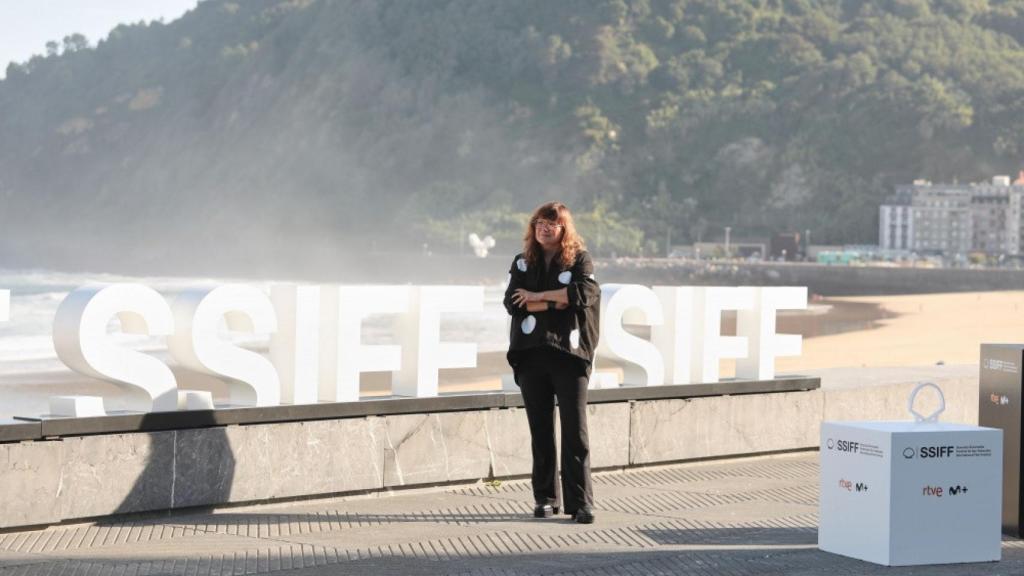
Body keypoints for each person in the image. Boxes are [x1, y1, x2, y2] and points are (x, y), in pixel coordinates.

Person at [503, 201, 600, 524]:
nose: (545, 228)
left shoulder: (579, 259)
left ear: (564, 229)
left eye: (553, 223)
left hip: (569, 356)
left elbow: (584, 295)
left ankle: (581, 502)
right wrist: (555, 299)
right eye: (540, 223)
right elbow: (513, 303)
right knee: (540, 431)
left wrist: (535, 297)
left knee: (575, 432)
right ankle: (545, 498)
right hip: (531, 355)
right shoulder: (521, 263)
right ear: (533, 228)